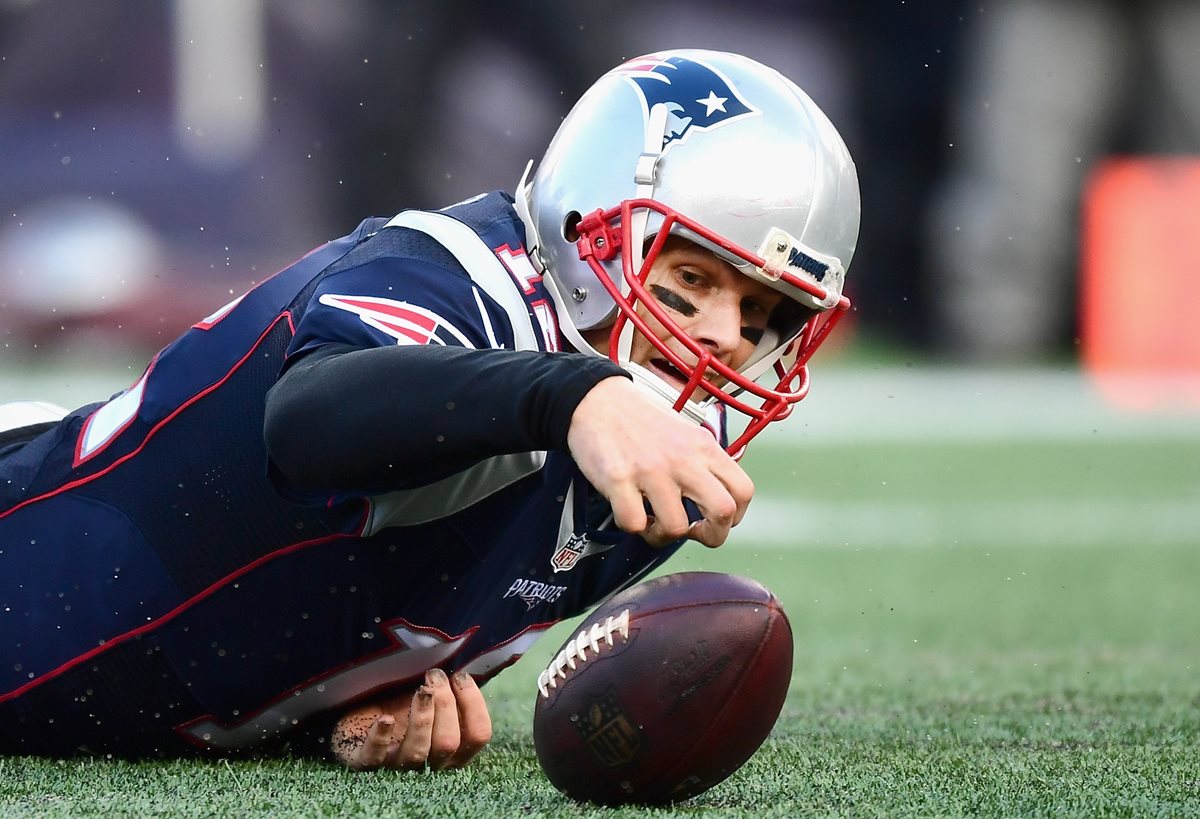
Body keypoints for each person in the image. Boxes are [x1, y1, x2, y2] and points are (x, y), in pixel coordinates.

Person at [0, 49, 859, 770]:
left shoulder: (657, 466)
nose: (723, 338)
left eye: (760, 314)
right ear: (582, 224)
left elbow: (336, 603)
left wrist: (364, 714)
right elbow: (310, 424)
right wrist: (574, 396)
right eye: (692, 280)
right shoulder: (455, 276)